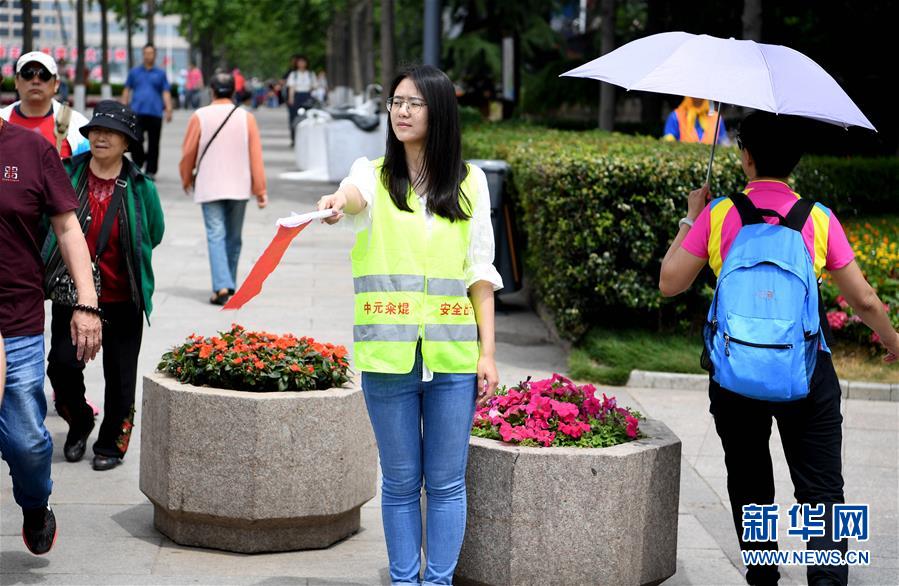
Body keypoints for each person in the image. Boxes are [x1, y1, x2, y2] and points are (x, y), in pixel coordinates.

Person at [659, 111, 899, 586]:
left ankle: (764, 574)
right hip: (806, 372)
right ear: (795, 162)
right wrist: (893, 343)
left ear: (746, 157)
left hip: (735, 374)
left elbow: (669, 283)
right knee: (822, 491)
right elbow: (866, 300)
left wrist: (691, 215)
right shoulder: (817, 218)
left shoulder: (720, 214)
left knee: (750, 483)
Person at [316, 64, 502, 584]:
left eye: (414, 103)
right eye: (396, 101)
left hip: (452, 356)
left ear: (438, 111)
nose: (401, 110)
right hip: (389, 355)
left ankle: (436, 581)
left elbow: (480, 274)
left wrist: (487, 353)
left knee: (445, 483)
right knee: (399, 482)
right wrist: (335, 203)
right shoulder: (372, 176)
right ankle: (404, 579)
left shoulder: (471, 183)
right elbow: (351, 197)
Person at [0, 107, 102, 557]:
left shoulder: (31, 149)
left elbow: (66, 226)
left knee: (26, 442)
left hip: (17, 321)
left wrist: (87, 303)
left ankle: (35, 504)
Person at [44, 101, 165, 472]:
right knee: (61, 366)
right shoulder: (67, 173)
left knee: (120, 374)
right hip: (75, 296)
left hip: (122, 296)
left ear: (126, 141)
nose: (100, 136)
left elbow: (155, 232)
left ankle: (112, 442)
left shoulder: (141, 186)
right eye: (96, 129)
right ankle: (80, 422)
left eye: (110, 132)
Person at [179, 72, 267, 306]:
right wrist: (260, 190)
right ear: (234, 92)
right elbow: (255, 156)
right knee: (234, 238)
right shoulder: (246, 118)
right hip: (239, 185)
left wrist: (186, 177)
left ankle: (222, 287)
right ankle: (229, 285)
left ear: (212, 90)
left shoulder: (200, 116)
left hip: (210, 185)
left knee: (216, 235)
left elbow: (189, 152)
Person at [0, 51, 90, 158]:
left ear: (56, 84)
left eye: (44, 74)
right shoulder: (2, 119)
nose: (36, 81)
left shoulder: (78, 125)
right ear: (16, 81)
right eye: (28, 73)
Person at [122, 44, 173, 180]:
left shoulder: (161, 74)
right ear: (142, 54)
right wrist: (123, 107)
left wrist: (169, 109)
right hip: (137, 112)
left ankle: (151, 171)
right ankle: (138, 163)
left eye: (151, 53)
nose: (148, 56)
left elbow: (166, 92)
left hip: (155, 112)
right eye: (146, 53)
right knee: (136, 139)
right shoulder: (134, 72)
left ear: (155, 55)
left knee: (154, 143)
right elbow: (127, 90)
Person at [662, 96, 729, 144]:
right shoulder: (676, 115)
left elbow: (724, 142)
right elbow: (668, 140)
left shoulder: (716, 118)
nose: (697, 98)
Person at [286, 55, 314, 146]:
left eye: (303, 62)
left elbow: (314, 86)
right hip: (297, 96)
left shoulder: (310, 74)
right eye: (300, 62)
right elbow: (291, 87)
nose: (302, 64)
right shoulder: (294, 74)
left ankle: (307, 139)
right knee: (294, 118)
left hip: (307, 96)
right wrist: (291, 98)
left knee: (308, 117)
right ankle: (294, 139)